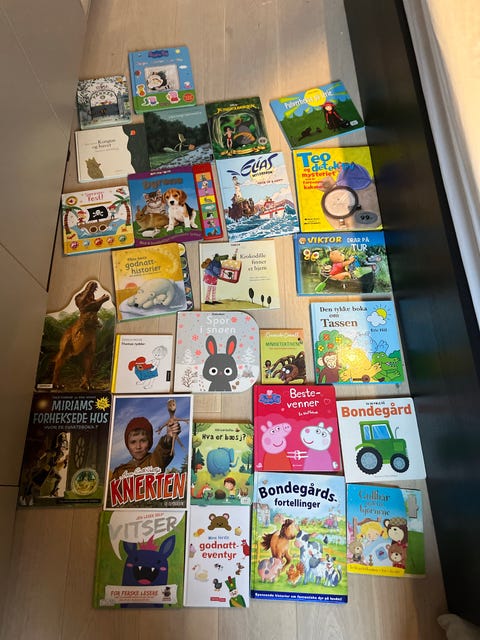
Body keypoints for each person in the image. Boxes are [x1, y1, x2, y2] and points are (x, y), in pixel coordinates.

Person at [111, 416, 179, 479]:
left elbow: (163, 449)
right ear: (127, 445)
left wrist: (169, 437)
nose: (138, 446)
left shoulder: (156, 460)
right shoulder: (119, 472)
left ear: (149, 442)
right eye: (133, 442)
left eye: (143, 441)